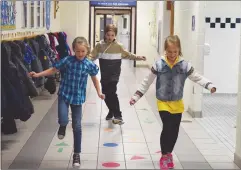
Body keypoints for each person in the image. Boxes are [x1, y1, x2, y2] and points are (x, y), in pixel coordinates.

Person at [129, 35, 216, 170]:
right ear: (165, 50)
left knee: (174, 130)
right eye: (169, 52)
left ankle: (169, 154)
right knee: (167, 127)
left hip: (177, 103)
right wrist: (136, 95)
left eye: (175, 52)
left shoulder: (185, 66)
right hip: (163, 102)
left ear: (179, 50)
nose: (172, 54)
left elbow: (197, 77)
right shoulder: (159, 64)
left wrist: (209, 85)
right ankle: (164, 155)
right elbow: (147, 81)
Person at [29, 37, 105, 167]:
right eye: (77, 51)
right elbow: (53, 69)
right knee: (63, 119)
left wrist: (99, 92)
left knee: (77, 126)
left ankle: (76, 154)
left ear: (87, 50)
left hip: (78, 98)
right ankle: (63, 126)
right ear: (73, 50)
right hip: (64, 94)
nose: (80, 54)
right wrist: (38, 74)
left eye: (82, 51)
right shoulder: (68, 60)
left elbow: (94, 79)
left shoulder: (89, 64)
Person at [89, 24, 146, 124]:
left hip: (114, 74)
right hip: (104, 74)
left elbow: (128, 55)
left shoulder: (119, 46)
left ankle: (118, 115)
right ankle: (111, 111)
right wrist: (83, 61)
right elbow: (91, 56)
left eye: (112, 35)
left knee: (112, 92)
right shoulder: (99, 46)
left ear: (115, 35)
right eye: (108, 35)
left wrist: (138, 57)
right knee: (105, 94)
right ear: (105, 34)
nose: (110, 37)